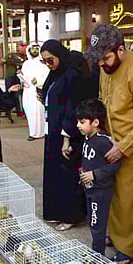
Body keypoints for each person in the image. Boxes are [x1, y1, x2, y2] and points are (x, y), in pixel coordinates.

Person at [85, 24, 133, 264]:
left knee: (131, 200)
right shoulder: (106, 68)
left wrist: (123, 146)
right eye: (99, 60)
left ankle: (131, 248)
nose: (102, 64)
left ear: (121, 50)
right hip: (110, 143)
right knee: (114, 196)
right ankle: (118, 238)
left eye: (105, 58)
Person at [41, 40, 91, 231]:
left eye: (51, 60)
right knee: (55, 174)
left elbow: (72, 106)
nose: (48, 64)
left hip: (66, 134)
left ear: (60, 55)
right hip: (53, 131)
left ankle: (72, 216)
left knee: (67, 174)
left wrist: (67, 137)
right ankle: (56, 211)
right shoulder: (56, 74)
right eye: (45, 61)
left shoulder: (71, 74)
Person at [76, 99, 121, 255]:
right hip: (90, 189)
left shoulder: (104, 141)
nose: (78, 126)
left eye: (82, 122)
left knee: (97, 225)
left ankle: (97, 257)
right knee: (93, 222)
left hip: (100, 191)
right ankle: (96, 253)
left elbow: (116, 164)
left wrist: (94, 174)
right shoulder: (88, 138)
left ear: (95, 122)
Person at [20, 43, 49, 140]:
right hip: (27, 91)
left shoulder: (43, 64)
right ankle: (32, 132)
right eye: (33, 49)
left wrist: (38, 81)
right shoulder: (25, 64)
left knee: (38, 113)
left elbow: (47, 78)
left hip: (37, 91)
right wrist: (22, 81)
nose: (35, 51)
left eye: (37, 49)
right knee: (30, 112)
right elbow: (24, 76)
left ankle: (40, 133)